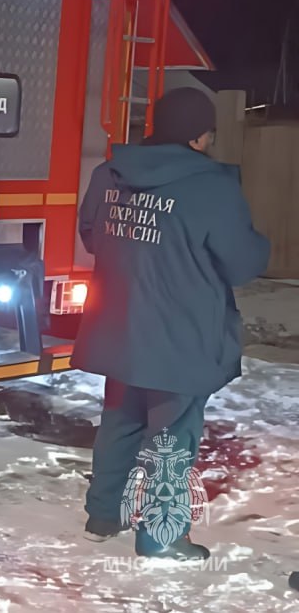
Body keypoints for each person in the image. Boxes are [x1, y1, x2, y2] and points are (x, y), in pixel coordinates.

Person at [72, 87, 270, 560]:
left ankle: (104, 516)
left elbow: (92, 235)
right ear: (201, 138)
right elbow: (241, 263)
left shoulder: (109, 174)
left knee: (119, 420)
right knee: (170, 435)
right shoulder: (210, 186)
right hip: (180, 336)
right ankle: (161, 537)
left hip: (121, 328)